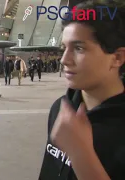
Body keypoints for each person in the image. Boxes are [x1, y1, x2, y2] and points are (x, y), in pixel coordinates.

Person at [39, 1, 125, 180]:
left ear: (117, 57)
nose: (64, 59)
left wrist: (81, 155)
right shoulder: (61, 108)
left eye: (79, 48)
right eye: (64, 48)